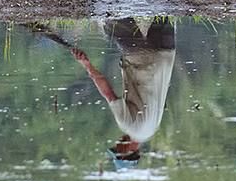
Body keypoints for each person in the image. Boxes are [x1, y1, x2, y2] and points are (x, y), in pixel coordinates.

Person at [65, 17, 176, 169]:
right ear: (128, 151)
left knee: (164, 8)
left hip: (165, 53)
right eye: (118, 149)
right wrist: (87, 65)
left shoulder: (150, 130)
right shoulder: (128, 126)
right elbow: (108, 94)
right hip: (140, 58)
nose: (117, 143)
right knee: (111, 16)